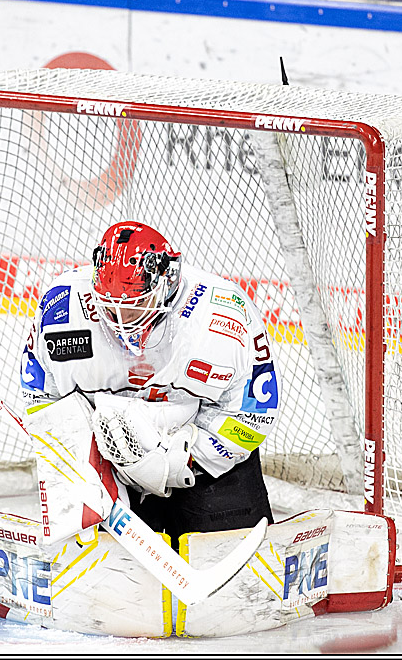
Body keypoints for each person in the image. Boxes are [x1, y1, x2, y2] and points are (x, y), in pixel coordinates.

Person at [19, 220, 277, 547]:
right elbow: (42, 395)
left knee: (237, 563)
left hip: (203, 462)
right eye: (109, 307)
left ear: (167, 283)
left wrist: (181, 460)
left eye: (136, 305)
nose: (121, 320)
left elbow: (254, 410)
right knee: (110, 573)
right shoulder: (63, 307)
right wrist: (86, 458)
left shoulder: (222, 315)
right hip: (110, 468)